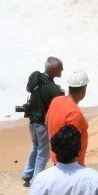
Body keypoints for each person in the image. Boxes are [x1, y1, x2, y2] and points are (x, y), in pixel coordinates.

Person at [21, 57, 66, 186]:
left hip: (32, 123)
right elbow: (61, 104)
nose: (62, 70)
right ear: (52, 70)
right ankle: (36, 181)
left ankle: (27, 173)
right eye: (60, 68)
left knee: (35, 147)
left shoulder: (37, 80)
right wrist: (61, 94)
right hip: (42, 125)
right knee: (43, 153)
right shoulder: (52, 88)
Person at [44, 69, 90, 165]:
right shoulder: (74, 114)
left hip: (56, 159)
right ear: (83, 90)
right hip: (71, 165)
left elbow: (47, 122)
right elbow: (72, 145)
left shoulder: (56, 101)